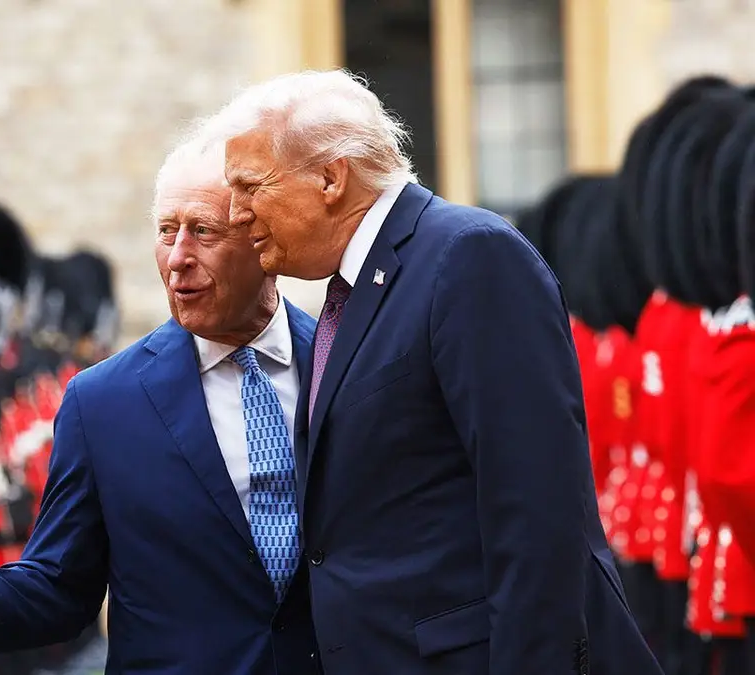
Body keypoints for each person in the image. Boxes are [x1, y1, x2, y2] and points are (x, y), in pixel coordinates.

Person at [197, 69, 663, 674]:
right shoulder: (362, 288)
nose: (235, 215)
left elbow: (536, 508)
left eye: (250, 187)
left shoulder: (467, 256)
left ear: (330, 178)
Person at [0, 138, 322, 673]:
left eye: (203, 231)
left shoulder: (352, 363)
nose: (177, 259)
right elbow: (61, 584)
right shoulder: (103, 400)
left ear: (265, 240)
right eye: (166, 232)